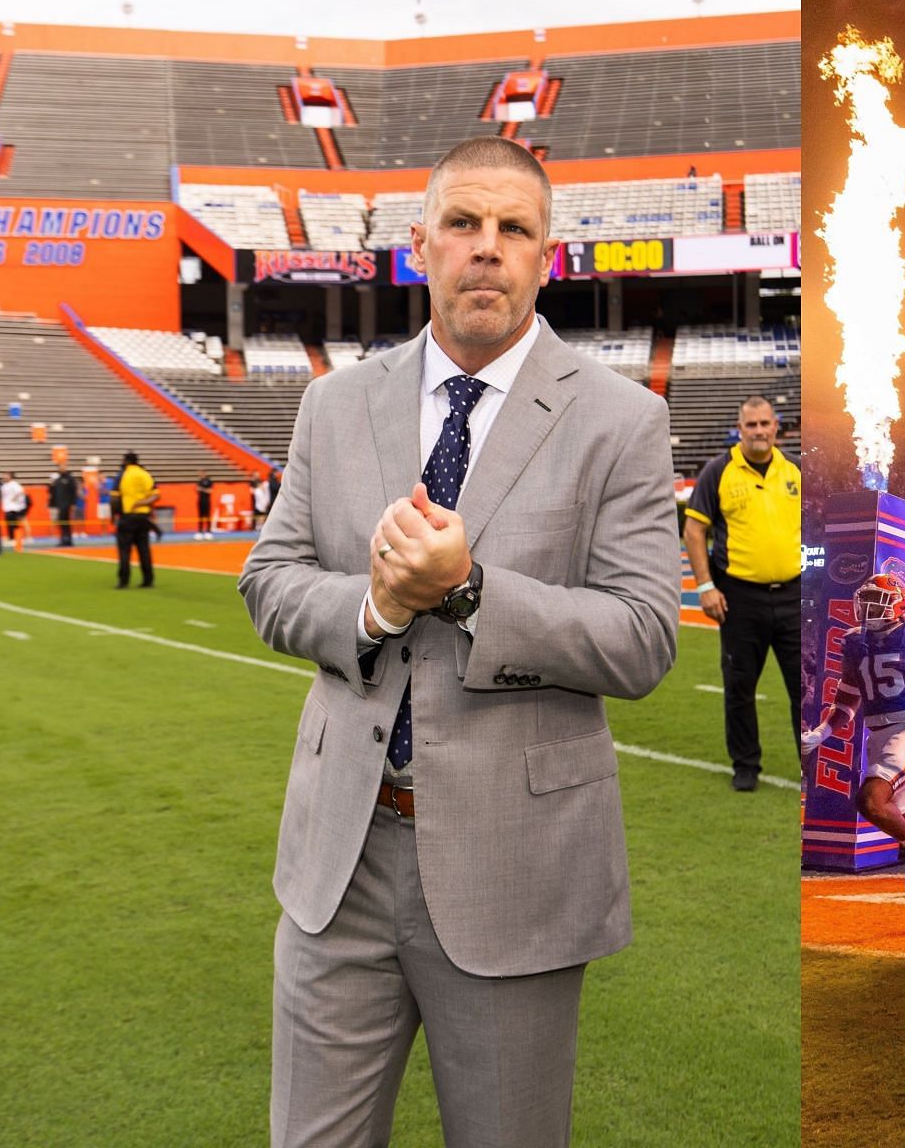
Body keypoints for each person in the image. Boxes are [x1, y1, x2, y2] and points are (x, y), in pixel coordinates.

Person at [238, 135, 678, 1148]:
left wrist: (469, 593)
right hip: (336, 865)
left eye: (513, 229)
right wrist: (379, 608)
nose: (487, 248)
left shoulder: (622, 421)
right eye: (463, 225)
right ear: (418, 245)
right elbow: (269, 583)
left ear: (547, 257)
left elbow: (646, 636)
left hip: (510, 870)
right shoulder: (334, 404)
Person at [801, 573, 905, 935]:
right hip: (879, 733)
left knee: (871, 800)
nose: (867, 610)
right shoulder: (855, 641)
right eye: (865, 602)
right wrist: (821, 732)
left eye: (877, 602)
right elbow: (847, 697)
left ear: (899, 606)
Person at [682, 396, 803, 791]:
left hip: (792, 595)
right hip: (739, 597)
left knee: (802, 687)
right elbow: (694, 530)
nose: (759, 431)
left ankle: (811, 767)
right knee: (739, 685)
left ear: (776, 427)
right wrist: (705, 587)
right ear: (740, 428)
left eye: (765, 423)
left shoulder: (796, 470)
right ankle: (745, 765)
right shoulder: (719, 471)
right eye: (751, 425)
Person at [114, 451, 157, 588]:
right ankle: (148, 579)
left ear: (126, 461)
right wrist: (142, 504)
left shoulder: (122, 474)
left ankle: (124, 580)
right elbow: (155, 496)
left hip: (128, 516)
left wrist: (114, 515)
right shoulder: (145, 474)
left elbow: (115, 497)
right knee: (144, 549)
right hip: (143, 517)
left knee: (124, 550)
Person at [48, 464, 79, 547]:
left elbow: (74, 492)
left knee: (66, 523)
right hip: (59, 505)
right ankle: (64, 539)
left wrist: (73, 504)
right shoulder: (57, 480)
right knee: (62, 523)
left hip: (67, 505)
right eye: (60, 467)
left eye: (63, 467)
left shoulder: (70, 479)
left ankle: (68, 540)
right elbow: (52, 492)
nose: (62, 468)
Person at [0, 471, 27, 551]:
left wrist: (15, 498)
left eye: (6, 475)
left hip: (13, 507)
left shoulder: (14, 484)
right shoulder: (4, 485)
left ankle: (15, 538)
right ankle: (11, 538)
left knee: (13, 524)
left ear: (11, 476)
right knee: (9, 523)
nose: (4, 476)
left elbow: (21, 491)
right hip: (6, 507)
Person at [194, 470, 213, 539]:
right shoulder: (199, 481)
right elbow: (196, 489)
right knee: (200, 517)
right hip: (200, 501)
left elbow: (210, 491)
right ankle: (200, 531)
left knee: (207, 516)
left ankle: (208, 531)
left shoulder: (209, 481)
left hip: (207, 501)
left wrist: (201, 489)